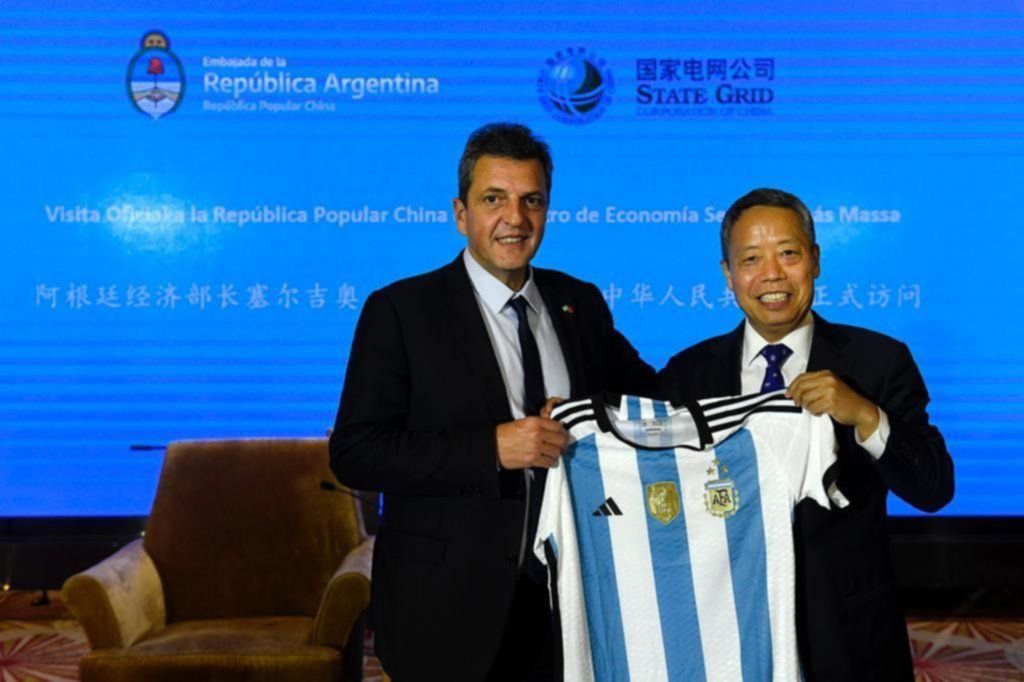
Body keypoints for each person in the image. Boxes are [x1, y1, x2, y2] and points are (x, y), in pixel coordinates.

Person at [329, 123, 657, 681]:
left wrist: (769, 358)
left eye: (532, 201)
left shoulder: (578, 302)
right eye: (493, 199)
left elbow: (649, 397)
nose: (516, 218)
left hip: (568, 607)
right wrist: (491, 449)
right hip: (445, 610)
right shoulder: (400, 312)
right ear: (461, 214)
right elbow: (356, 452)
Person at [657, 188, 954, 681]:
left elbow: (934, 488)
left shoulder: (878, 361)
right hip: (726, 634)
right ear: (727, 274)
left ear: (815, 260)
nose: (772, 274)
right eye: (751, 259)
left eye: (788, 253)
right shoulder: (687, 375)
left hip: (847, 640)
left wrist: (865, 415)